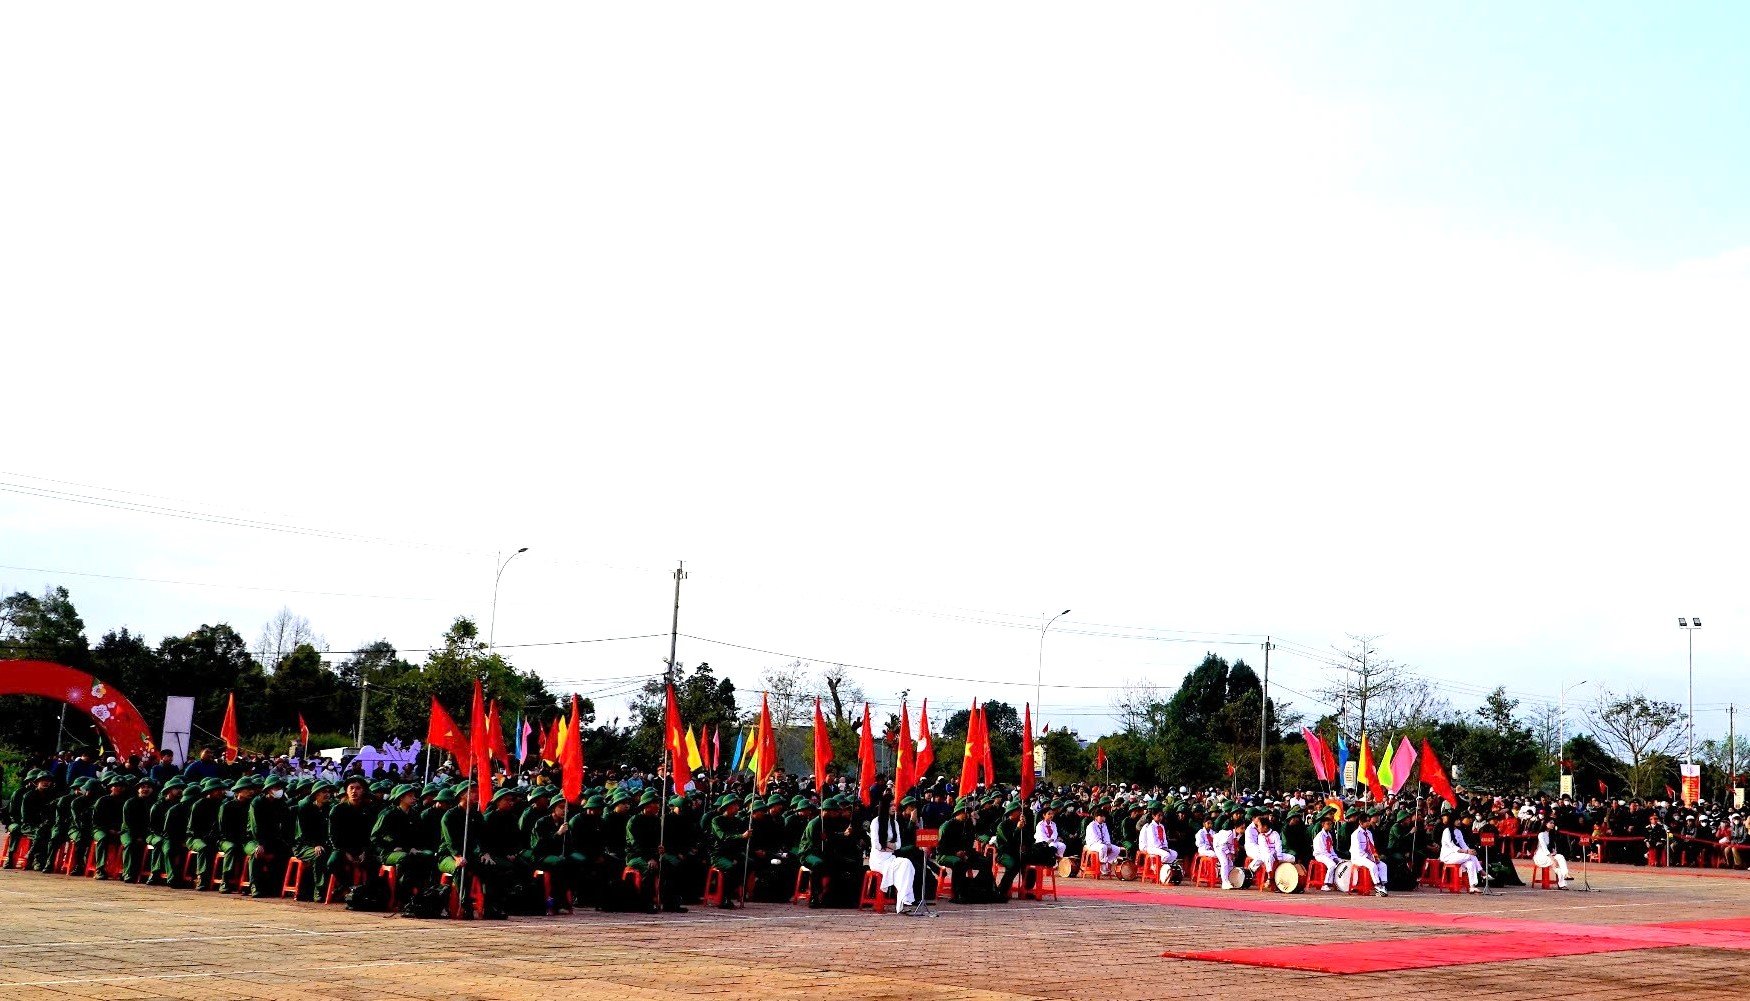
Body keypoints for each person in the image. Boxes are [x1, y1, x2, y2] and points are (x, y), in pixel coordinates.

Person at [935, 797, 995, 903]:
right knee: (959, 863)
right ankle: (958, 893)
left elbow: (969, 843)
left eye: (968, 813)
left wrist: (966, 853)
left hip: (964, 852)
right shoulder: (947, 826)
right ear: (957, 813)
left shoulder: (968, 825)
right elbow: (941, 847)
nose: (967, 815)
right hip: (946, 854)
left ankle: (980, 889)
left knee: (985, 862)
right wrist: (956, 852)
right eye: (964, 813)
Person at [868, 796, 920, 914]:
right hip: (878, 860)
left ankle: (903, 901)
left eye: (894, 805)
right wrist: (888, 846)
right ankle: (902, 903)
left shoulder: (894, 823)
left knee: (907, 864)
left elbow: (898, 845)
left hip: (890, 857)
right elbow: (877, 845)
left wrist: (887, 845)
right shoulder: (876, 822)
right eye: (891, 805)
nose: (893, 808)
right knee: (902, 866)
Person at [1441, 811, 1486, 893]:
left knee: (1471, 863)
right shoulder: (1446, 831)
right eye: (1457, 820)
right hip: (1448, 856)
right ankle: (1482, 871)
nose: (1459, 822)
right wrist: (1467, 851)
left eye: (1459, 820)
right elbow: (1453, 846)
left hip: (1458, 856)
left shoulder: (1458, 831)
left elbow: (1463, 844)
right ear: (1452, 821)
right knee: (1470, 856)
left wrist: (1470, 850)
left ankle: (1472, 886)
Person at [1348, 811, 1388, 897]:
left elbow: (1371, 847)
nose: (1368, 823)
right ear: (1360, 822)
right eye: (1366, 821)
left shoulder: (1369, 833)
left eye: (1368, 820)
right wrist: (1370, 858)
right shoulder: (1356, 834)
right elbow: (1358, 851)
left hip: (1368, 856)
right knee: (1372, 865)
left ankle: (1382, 885)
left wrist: (1375, 856)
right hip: (1358, 857)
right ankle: (1377, 885)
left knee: (1382, 865)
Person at [1137, 807, 1178, 882]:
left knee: (1174, 854)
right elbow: (1153, 841)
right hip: (1153, 848)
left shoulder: (1161, 826)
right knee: (1166, 855)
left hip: (1161, 848)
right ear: (1153, 816)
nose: (1160, 818)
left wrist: (1165, 847)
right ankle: (1157, 867)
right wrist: (1161, 848)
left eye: (1161, 816)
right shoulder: (1150, 827)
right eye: (1159, 815)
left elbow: (1164, 839)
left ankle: (1162, 868)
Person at [1533, 817, 1570, 889]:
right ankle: (1562, 884)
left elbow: (1552, 847)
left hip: (1549, 855)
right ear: (1545, 824)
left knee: (1561, 857)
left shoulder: (1551, 834)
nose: (1552, 824)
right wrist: (1553, 859)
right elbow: (1544, 848)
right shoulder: (1541, 834)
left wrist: (1554, 851)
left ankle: (1566, 874)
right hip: (1541, 856)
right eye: (1550, 823)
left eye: (1553, 823)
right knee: (1555, 864)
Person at [1310, 812, 1342, 891]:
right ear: (1323, 825)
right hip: (1320, 855)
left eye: (1331, 824)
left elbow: (1331, 849)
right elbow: (1323, 851)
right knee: (1331, 864)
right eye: (1328, 824)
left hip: (1327, 854)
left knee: (1341, 862)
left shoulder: (1329, 835)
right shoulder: (1320, 836)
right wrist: (1332, 858)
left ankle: (1337, 883)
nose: (1330, 826)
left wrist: (1335, 857)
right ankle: (1325, 884)